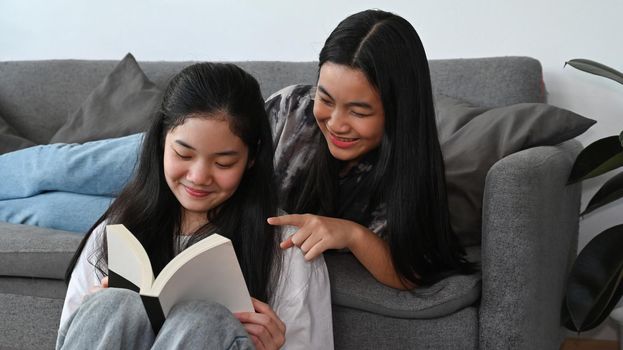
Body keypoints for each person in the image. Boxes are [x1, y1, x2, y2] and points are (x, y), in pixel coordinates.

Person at [56, 62, 333, 349]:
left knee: (204, 319)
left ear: (251, 159)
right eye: (183, 154)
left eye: (223, 162)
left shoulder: (286, 247)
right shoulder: (114, 231)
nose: (198, 177)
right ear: (162, 142)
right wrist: (92, 313)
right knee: (112, 305)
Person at [265, 9, 475, 289]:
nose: (336, 124)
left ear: (398, 111)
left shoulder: (409, 167)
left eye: (359, 112)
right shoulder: (287, 110)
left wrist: (352, 234)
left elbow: (412, 272)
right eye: (325, 99)